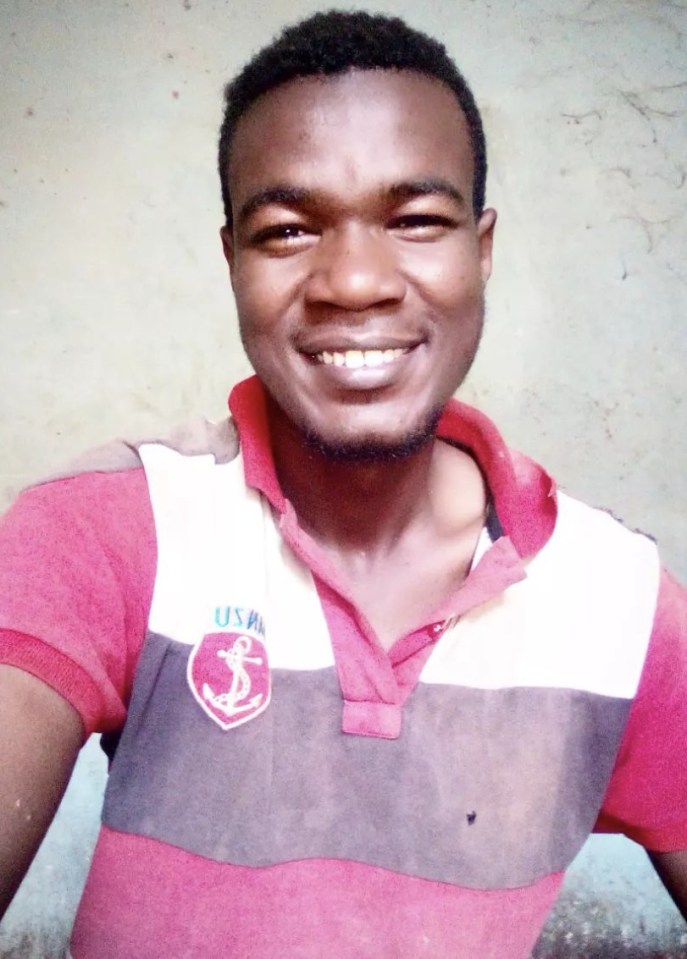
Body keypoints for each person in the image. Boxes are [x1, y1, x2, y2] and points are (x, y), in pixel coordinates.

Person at [0, 9, 686, 958]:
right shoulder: (112, 530)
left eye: (414, 221)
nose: (354, 280)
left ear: (480, 251)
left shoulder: (617, 600)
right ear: (230, 258)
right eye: (286, 230)